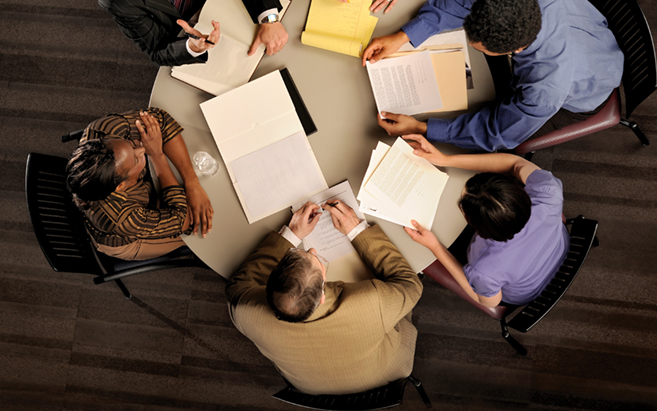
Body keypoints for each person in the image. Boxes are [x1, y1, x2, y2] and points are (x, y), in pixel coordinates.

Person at [361, 0, 624, 152]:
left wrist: (423, 128)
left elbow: (497, 131)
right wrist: (404, 35)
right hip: (586, 36)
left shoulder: (545, 89)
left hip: (583, 94)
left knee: (507, 147)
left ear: (514, 51)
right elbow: (463, 2)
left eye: (481, 49)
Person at [226, 200, 423, 394]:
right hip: (383, 372)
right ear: (322, 296)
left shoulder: (245, 314)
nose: (312, 250)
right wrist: (357, 230)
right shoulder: (372, 302)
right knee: (399, 303)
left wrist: (291, 235)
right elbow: (410, 285)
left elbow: (238, 286)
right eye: (317, 259)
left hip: (309, 387)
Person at [402, 134, 569, 306]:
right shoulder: (549, 191)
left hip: (525, 291)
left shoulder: (484, 270)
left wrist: (435, 247)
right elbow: (515, 163)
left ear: (473, 224)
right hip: (557, 247)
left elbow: (488, 302)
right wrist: (445, 160)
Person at [66, 108, 213, 261]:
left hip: (141, 197)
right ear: (120, 186)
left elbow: (161, 121)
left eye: (131, 143)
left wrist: (192, 182)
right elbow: (182, 220)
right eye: (136, 159)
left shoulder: (104, 129)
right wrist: (156, 155)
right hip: (129, 238)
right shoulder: (123, 220)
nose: (142, 148)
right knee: (205, 230)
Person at [99, 0, 288, 67]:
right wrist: (191, 47)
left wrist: (268, 17)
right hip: (196, 35)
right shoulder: (117, 2)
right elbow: (157, 50)